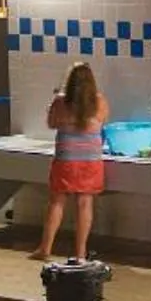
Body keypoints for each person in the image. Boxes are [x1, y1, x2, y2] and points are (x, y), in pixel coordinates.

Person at [35, 62, 108, 260]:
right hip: (91, 160)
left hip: (66, 159)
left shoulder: (61, 102)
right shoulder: (99, 101)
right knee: (85, 204)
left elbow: (51, 124)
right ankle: (80, 253)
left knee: (56, 202)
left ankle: (45, 249)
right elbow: (102, 122)